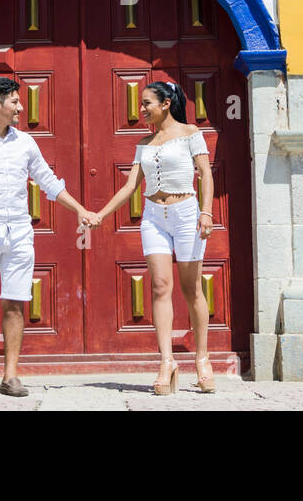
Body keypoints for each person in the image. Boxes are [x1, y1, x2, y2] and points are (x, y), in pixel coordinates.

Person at [0, 75, 99, 398]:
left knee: (16, 303)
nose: (21, 108)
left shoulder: (25, 143)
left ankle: (10, 375)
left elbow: (47, 180)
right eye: (15, 102)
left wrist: (80, 210)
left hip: (18, 231)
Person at [89, 80, 216, 395]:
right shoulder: (143, 144)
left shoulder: (191, 134)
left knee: (192, 289)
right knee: (160, 286)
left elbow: (207, 174)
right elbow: (130, 186)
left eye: (146, 103)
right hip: (153, 217)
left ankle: (202, 358)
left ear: (166, 103)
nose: (141, 109)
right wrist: (101, 214)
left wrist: (207, 212)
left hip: (186, 213)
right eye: (141, 103)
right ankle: (166, 361)